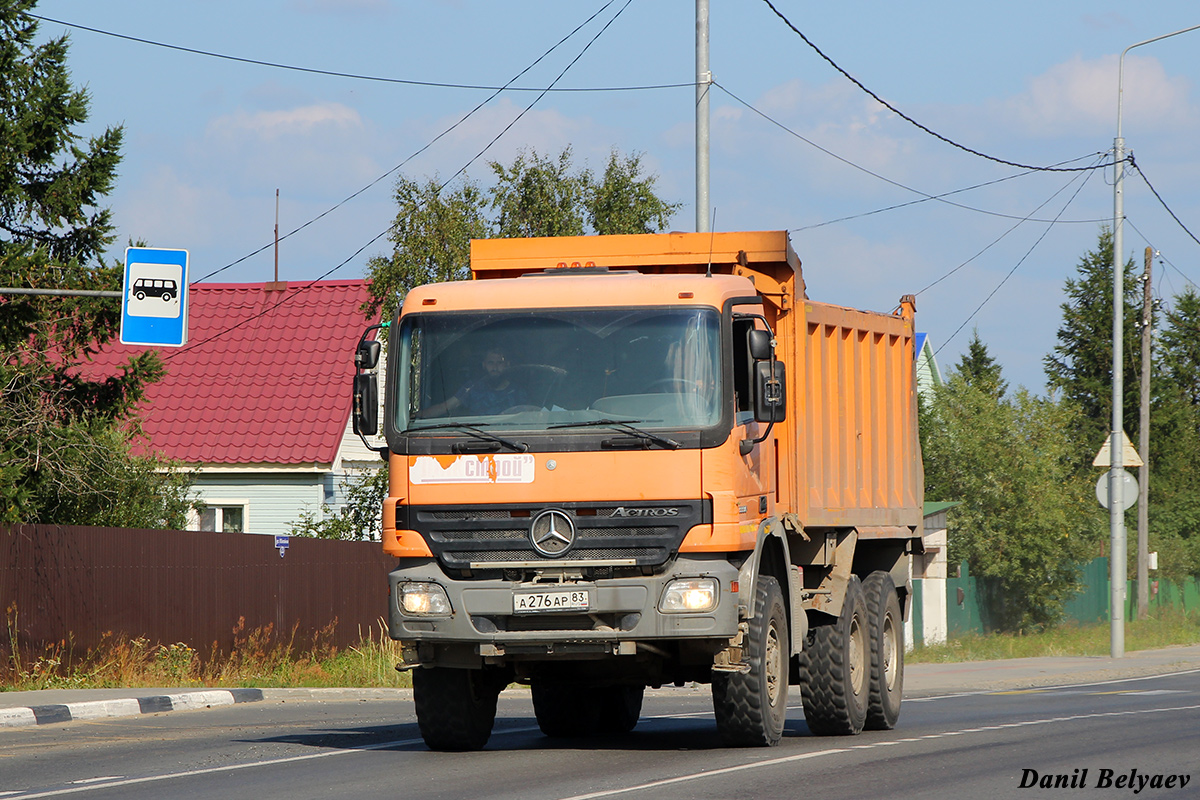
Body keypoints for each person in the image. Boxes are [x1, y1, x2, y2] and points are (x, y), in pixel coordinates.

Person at [425, 347, 530, 417]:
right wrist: (415, 416)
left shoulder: (517, 392)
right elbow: (445, 407)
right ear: (483, 365)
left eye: (499, 363)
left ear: (507, 364)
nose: (495, 367)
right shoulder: (472, 388)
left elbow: (529, 417)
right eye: (491, 363)